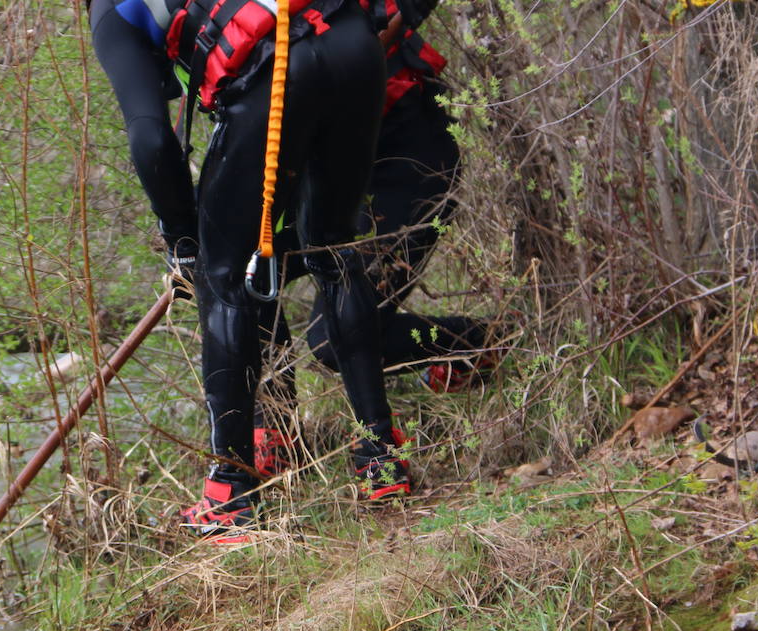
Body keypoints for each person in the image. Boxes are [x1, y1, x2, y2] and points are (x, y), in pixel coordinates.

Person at [88, 0, 434, 540]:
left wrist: (185, 241)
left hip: (274, 71)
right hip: (354, 49)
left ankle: (230, 493)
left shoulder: (111, 10)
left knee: (221, 280)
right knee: (334, 251)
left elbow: (151, 140)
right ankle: (381, 462)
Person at [252, 0, 496, 480]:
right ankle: (277, 434)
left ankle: (475, 341)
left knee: (330, 340)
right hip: (329, 179)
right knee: (256, 266)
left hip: (407, 161)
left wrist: (349, 55)